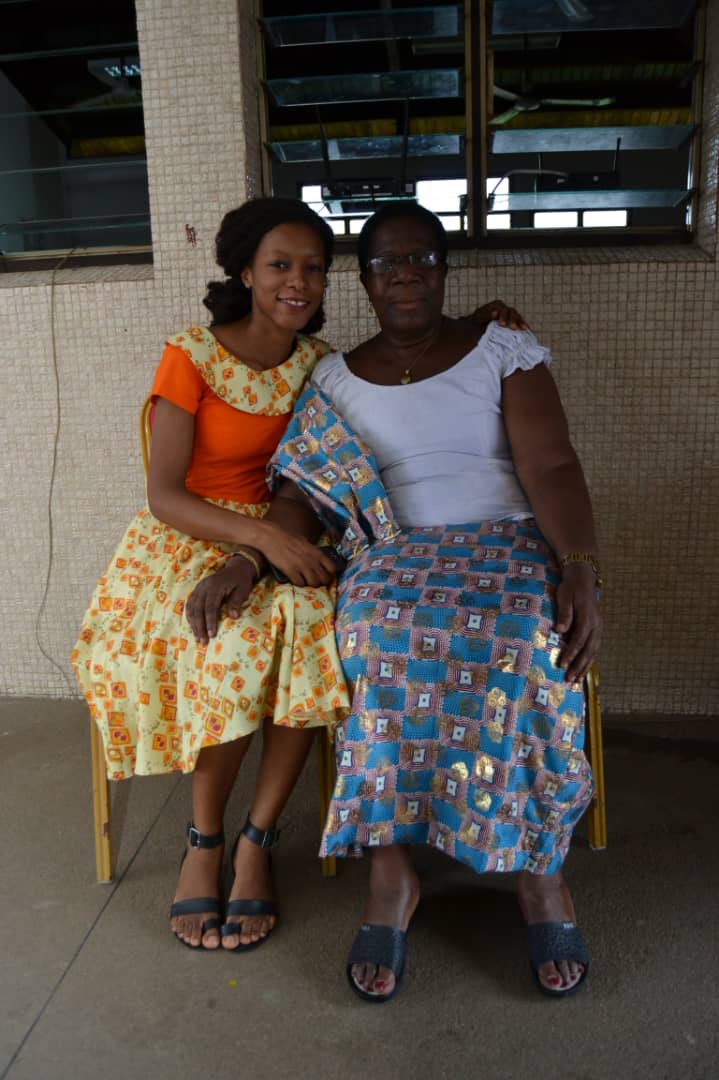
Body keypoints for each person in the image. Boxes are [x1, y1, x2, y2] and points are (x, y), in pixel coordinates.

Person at [72, 196, 525, 955]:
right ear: (245, 272)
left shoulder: (321, 365)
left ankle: (258, 837)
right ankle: (204, 839)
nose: (298, 282)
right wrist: (257, 543)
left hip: (294, 529)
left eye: (313, 268)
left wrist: (477, 323)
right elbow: (165, 494)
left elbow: (400, 364)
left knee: (315, 630)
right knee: (233, 638)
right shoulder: (191, 354)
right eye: (279, 265)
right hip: (190, 536)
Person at [195, 201, 601, 999]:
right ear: (364, 280)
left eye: (421, 258)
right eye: (386, 262)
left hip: (505, 539)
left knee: (528, 633)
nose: (405, 274)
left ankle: (538, 871)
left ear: (444, 269)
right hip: (391, 549)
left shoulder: (502, 350)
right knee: (373, 637)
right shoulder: (334, 380)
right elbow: (301, 492)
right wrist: (246, 558)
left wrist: (580, 567)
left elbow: (551, 466)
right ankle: (390, 873)